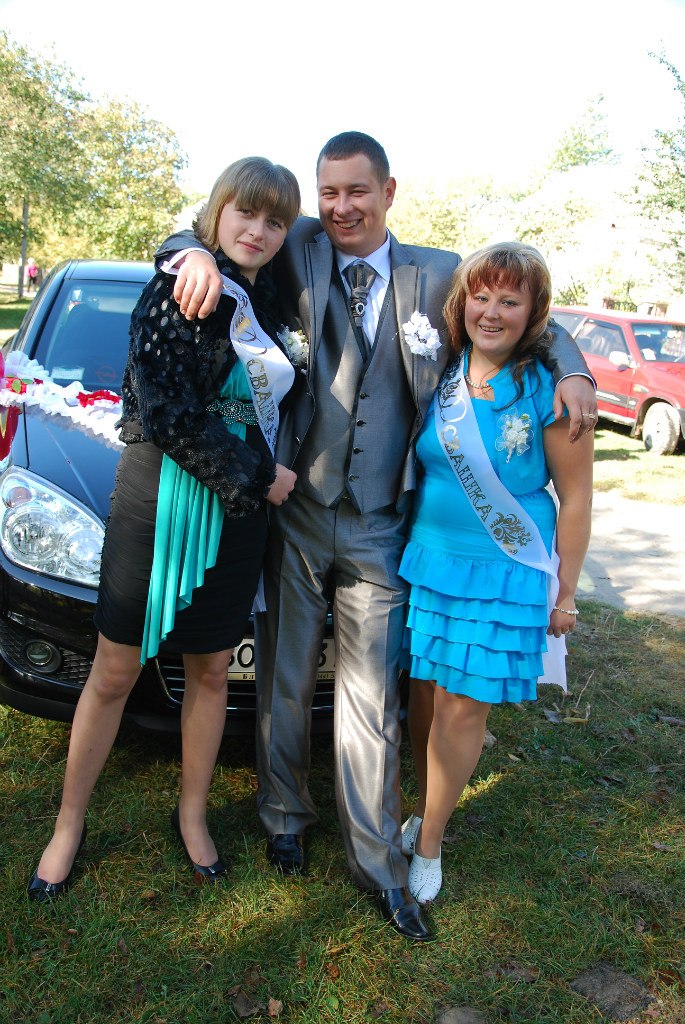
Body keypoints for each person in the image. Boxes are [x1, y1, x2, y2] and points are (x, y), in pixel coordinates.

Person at [155, 132, 598, 941]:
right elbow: (213, 225)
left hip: (383, 521)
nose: (340, 208)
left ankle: (377, 859)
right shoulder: (297, 248)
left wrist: (574, 369)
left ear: (388, 191)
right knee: (286, 674)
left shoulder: (438, 273)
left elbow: (524, 307)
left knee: (370, 696)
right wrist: (186, 252)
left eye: (356, 191)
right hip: (297, 506)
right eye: (328, 192)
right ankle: (284, 816)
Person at [27, 157, 300, 901]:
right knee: (114, 670)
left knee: (210, 670)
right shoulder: (175, 287)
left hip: (235, 520)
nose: (259, 230)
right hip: (159, 502)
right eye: (246, 212)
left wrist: (251, 485)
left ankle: (192, 815)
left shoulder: (272, 300)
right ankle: (67, 825)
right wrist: (260, 475)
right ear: (217, 211)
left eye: (275, 220)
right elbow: (169, 415)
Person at [399, 242, 594, 905]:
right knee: (426, 696)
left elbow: (576, 498)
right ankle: (424, 805)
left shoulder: (548, 389)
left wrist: (566, 592)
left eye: (509, 300)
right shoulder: (440, 368)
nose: (491, 311)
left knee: (463, 703)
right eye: (481, 296)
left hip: (506, 570)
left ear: (533, 313)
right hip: (432, 560)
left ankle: (429, 841)